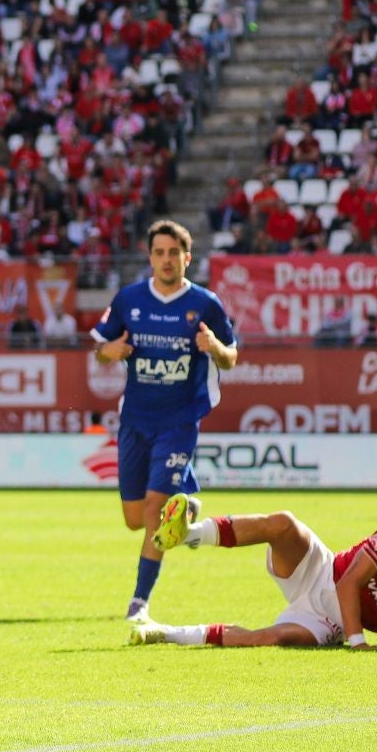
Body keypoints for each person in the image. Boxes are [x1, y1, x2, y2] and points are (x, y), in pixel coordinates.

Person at [92, 220, 238, 621]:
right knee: (133, 519)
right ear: (150, 257)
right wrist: (110, 351)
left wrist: (215, 347)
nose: (166, 260)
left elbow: (231, 357)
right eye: (159, 253)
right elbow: (100, 350)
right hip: (136, 419)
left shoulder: (206, 304)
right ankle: (187, 499)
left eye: (174, 253)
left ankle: (139, 602)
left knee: (155, 511)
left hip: (180, 419)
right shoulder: (130, 299)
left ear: (187, 258)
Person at [132, 507, 377, 649]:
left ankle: (164, 633)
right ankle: (190, 533)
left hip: (331, 622)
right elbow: (348, 583)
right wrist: (357, 643)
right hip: (323, 570)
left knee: (270, 638)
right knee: (283, 523)